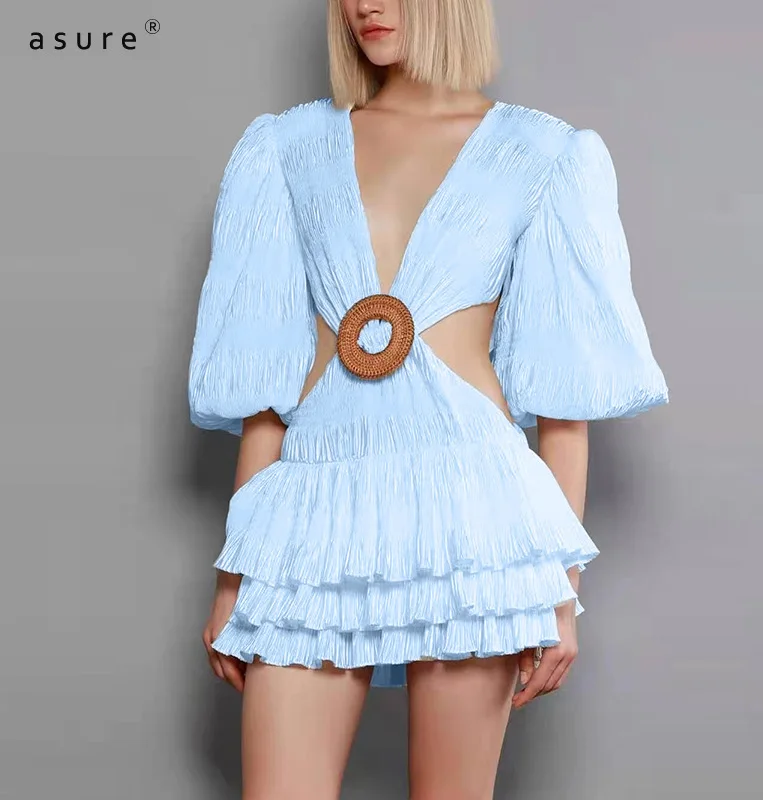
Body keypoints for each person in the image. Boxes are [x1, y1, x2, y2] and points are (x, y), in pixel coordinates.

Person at [187, 0, 669, 797]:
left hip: (474, 517)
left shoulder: (543, 153)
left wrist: (559, 592)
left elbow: (564, 404)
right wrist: (236, 578)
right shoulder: (285, 149)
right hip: (313, 511)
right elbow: (266, 394)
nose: (365, 5)